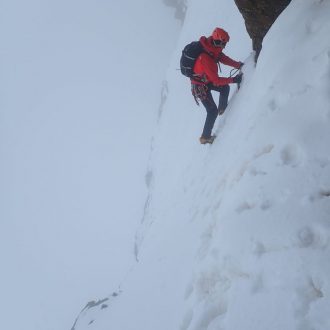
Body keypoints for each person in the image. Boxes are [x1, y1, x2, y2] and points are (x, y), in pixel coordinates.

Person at [191, 27, 243, 144]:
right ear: (217, 41)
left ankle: (223, 111)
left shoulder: (212, 49)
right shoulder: (206, 57)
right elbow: (216, 81)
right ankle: (205, 137)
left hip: (205, 80)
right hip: (199, 86)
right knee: (211, 110)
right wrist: (234, 79)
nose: (224, 46)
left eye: (225, 44)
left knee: (225, 88)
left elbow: (223, 58)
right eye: (223, 43)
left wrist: (238, 65)